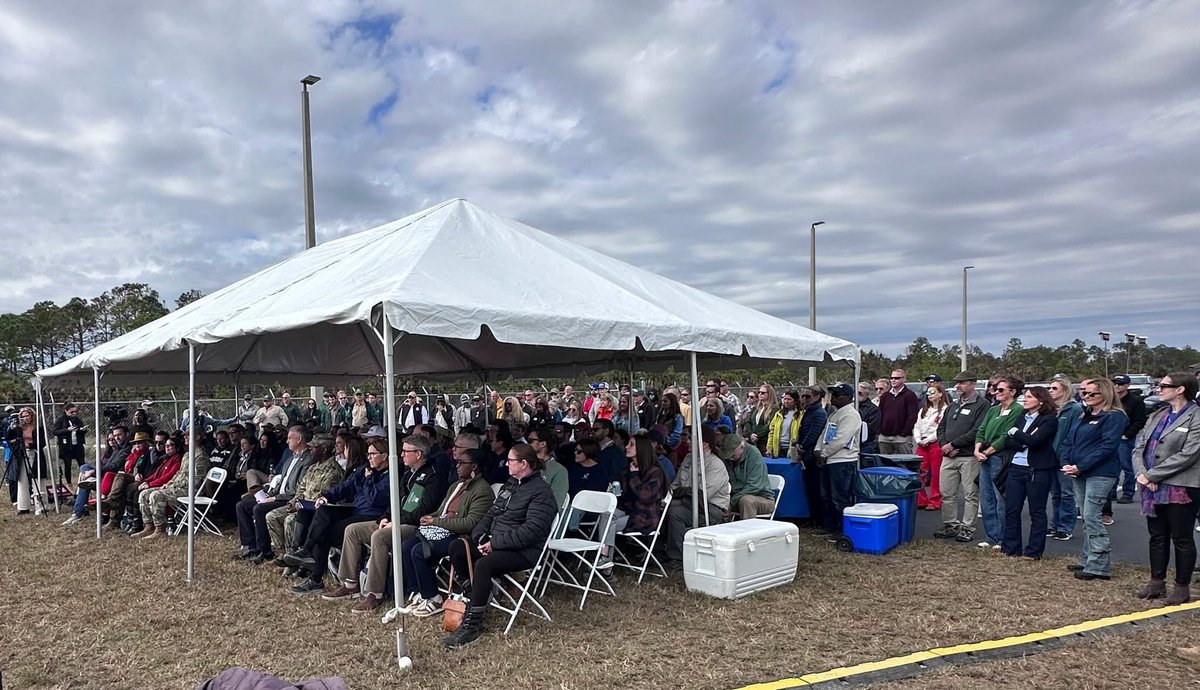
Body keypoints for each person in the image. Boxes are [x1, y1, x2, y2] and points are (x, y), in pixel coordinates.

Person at [441, 443, 558, 648]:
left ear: (523, 464)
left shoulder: (541, 493)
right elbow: (491, 513)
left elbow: (531, 532)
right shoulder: (511, 484)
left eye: (511, 461)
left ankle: (472, 626)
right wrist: (479, 536)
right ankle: (474, 594)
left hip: (523, 551)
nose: (507, 464)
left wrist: (494, 544)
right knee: (457, 547)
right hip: (497, 542)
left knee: (484, 565)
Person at [325, 435, 450, 606]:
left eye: (406, 451)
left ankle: (375, 593)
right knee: (353, 530)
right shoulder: (408, 473)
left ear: (419, 454)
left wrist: (396, 521)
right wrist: (385, 517)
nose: (402, 454)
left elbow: (423, 510)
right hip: (396, 520)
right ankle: (350, 584)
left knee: (380, 537)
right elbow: (395, 500)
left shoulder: (433, 476)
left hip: (415, 525)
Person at [285, 436, 393, 595]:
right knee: (323, 511)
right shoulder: (364, 470)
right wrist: (326, 496)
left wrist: (369, 480)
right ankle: (306, 550)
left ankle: (315, 579)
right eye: (368, 454)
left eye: (373, 454)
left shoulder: (391, 475)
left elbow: (374, 499)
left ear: (384, 456)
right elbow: (345, 487)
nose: (369, 457)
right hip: (355, 509)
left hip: (372, 516)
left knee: (326, 533)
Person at [1132, 372, 1200, 604]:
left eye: (1164, 385)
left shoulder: (1196, 416)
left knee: (1182, 537)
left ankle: (1181, 587)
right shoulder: (1157, 414)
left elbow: (1189, 454)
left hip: (1181, 486)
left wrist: (1152, 475)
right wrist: (1142, 474)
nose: (1159, 389)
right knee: (1157, 536)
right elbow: (1139, 446)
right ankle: (1156, 582)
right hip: (1152, 486)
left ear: (1180, 389)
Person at [1061, 378, 1127, 581]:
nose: (1086, 396)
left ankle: (1099, 565)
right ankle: (1087, 558)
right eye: (1084, 393)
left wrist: (1081, 466)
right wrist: (1066, 462)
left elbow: (1108, 446)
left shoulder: (1114, 416)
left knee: (1092, 516)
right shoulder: (1084, 415)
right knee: (1086, 516)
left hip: (1100, 472)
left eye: (1092, 393)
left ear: (1105, 394)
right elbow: (1068, 441)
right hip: (1078, 471)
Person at [232, 426, 315, 561]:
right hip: (278, 495)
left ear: (299, 439)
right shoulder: (289, 459)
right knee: (242, 506)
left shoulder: (308, 460)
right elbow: (281, 483)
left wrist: (274, 498)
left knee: (259, 509)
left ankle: (265, 551)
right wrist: (268, 494)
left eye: (290, 438)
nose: (287, 441)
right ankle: (250, 546)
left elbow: (297, 489)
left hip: (288, 499)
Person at [263, 437, 344, 566]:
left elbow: (322, 496)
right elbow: (301, 488)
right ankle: (283, 554)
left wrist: (298, 505)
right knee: (272, 516)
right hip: (300, 505)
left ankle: (294, 556)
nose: (310, 449)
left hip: (315, 510)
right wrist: (294, 501)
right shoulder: (313, 468)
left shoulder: (333, 470)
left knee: (290, 521)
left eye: (314, 447)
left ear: (324, 450)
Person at [1000, 386, 1059, 559]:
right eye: (1024, 396)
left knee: (1037, 511)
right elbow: (1008, 442)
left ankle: (1033, 551)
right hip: (1016, 468)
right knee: (1011, 509)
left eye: (1029, 397)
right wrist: (1023, 440)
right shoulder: (1021, 417)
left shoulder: (1049, 420)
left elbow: (1035, 441)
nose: (1024, 400)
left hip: (1037, 470)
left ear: (1040, 400)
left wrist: (1017, 433)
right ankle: (1011, 548)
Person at [662, 425, 730, 571]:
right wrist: (668, 496)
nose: (687, 441)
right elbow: (676, 484)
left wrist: (677, 495)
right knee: (661, 507)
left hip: (709, 508)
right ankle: (659, 549)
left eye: (692, 439)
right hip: (687, 501)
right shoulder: (688, 459)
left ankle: (677, 557)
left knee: (675, 513)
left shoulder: (715, 465)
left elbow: (701, 495)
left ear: (705, 444)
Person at [934, 372, 989, 542]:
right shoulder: (953, 405)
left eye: (962, 383)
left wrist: (954, 444)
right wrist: (944, 445)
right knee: (947, 493)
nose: (958, 386)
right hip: (949, 456)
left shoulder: (982, 405)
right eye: (957, 383)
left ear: (972, 384)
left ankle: (967, 527)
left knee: (970, 494)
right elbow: (941, 428)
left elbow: (977, 430)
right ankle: (950, 524)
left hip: (968, 457)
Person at [973, 375, 1023, 549]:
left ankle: (1002, 538)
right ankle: (991, 537)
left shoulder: (1017, 410)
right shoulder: (993, 409)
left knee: (1000, 498)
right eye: (995, 389)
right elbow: (982, 429)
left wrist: (988, 451)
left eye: (1001, 389)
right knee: (986, 498)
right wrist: (977, 449)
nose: (996, 392)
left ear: (1013, 391)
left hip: (1000, 457)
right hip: (984, 456)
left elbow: (1006, 435)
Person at [134, 441, 211, 540]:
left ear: (198, 437)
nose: (185, 437)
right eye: (185, 435)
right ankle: (149, 526)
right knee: (144, 494)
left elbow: (196, 480)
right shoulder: (187, 454)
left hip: (189, 490)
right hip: (177, 486)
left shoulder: (201, 457)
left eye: (188, 435)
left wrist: (175, 484)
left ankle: (160, 529)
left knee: (156, 495)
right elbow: (179, 473)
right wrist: (170, 483)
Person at [815, 384, 862, 535]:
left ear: (848, 398)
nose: (833, 398)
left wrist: (824, 453)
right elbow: (824, 433)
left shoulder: (851, 415)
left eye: (837, 395)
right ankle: (830, 527)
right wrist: (818, 450)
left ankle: (842, 530)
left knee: (839, 498)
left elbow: (841, 439)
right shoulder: (835, 413)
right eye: (832, 395)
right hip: (830, 459)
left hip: (843, 461)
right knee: (826, 496)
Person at [1048, 375, 1083, 541]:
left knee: (1067, 493)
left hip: (1066, 458)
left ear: (1065, 390)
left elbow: (1074, 435)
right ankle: (1055, 524)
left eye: (1054, 388)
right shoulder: (1051, 409)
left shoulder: (1075, 409)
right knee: (1055, 493)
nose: (1050, 391)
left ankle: (1065, 527)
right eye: (1049, 388)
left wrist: (1068, 457)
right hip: (1050, 457)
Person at [717, 433, 774, 520]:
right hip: (735, 497)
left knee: (746, 501)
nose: (730, 458)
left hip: (762, 497)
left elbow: (754, 486)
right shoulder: (728, 459)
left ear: (741, 447)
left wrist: (731, 502)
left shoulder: (754, 455)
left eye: (732, 455)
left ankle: (749, 528)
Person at [914, 382, 949, 511]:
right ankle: (921, 499)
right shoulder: (923, 410)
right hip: (922, 443)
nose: (929, 395)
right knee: (920, 471)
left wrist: (928, 440)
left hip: (935, 443)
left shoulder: (945, 410)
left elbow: (941, 429)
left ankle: (935, 500)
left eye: (932, 392)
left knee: (936, 473)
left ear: (940, 394)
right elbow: (917, 426)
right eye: (928, 393)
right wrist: (918, 439)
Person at [5, 407, 47, 514]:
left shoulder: (38, 428)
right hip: (21, 455)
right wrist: (11, 429)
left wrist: (30, 445)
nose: (25, 418)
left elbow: (42, 442)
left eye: (27, 415)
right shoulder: (19, 428)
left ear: (32, 416)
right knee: (22, 480)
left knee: (37, 479)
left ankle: (41, 505)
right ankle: (23, 506)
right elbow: (9, 438)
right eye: (23, 416)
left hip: (35, 454)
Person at [878, 369, 919, 454]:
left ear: (904, 379)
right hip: (884, 437)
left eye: (897, 378)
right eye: (892, 378)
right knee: (885, 461)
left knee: (905, 461)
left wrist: (904, 433)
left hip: (902, 438)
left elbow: (912, 416)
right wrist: (880, 430)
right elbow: (880, 414)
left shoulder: (910, 395)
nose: (893, 380)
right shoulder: (885, 396)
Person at [527, 426, 569, 508]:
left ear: (542, 444)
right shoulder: (523, 463)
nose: (527, 443)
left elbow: (555, 503)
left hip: (538, 512)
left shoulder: (559, 471)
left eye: (530, 441)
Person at [52, 403, 88, 486]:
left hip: (77, 445)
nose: (74, 413)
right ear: (66, 411)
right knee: (68, 464)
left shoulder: (77, 419)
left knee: (82, 463)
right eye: (72, 412)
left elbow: (81, 427)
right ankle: (69, 483)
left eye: (75, 411)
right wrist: (67, 430)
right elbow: (55, 431)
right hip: (66, 446)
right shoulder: (61, 419)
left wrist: (83, 429)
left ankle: (85, 480)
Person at [766, 390, 802, 459]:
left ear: (795, 401)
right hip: (778, 449)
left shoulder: (801, 415)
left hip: (792, 449)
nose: (786, 401)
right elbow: (772, 432)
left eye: (789, 399)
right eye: (785, 399)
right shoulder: (778, 414)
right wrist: (769, 447)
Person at [744, 384, 776, 456]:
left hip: (765, 442)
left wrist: (756, 435)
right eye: (759, 392)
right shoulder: (755, 408)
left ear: (769, 394)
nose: (760, 394)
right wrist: (750, 434)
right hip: (753, 441)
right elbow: (748, 422)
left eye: (763, 393)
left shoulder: (774, 409)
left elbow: (770, 425)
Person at [856, 382, 881, 456]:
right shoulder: (851, 406)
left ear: (867, 394)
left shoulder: (874, 409)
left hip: (866, 444)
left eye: (859, 393)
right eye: (856, 392)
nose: (857, 395)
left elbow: (872, 429)